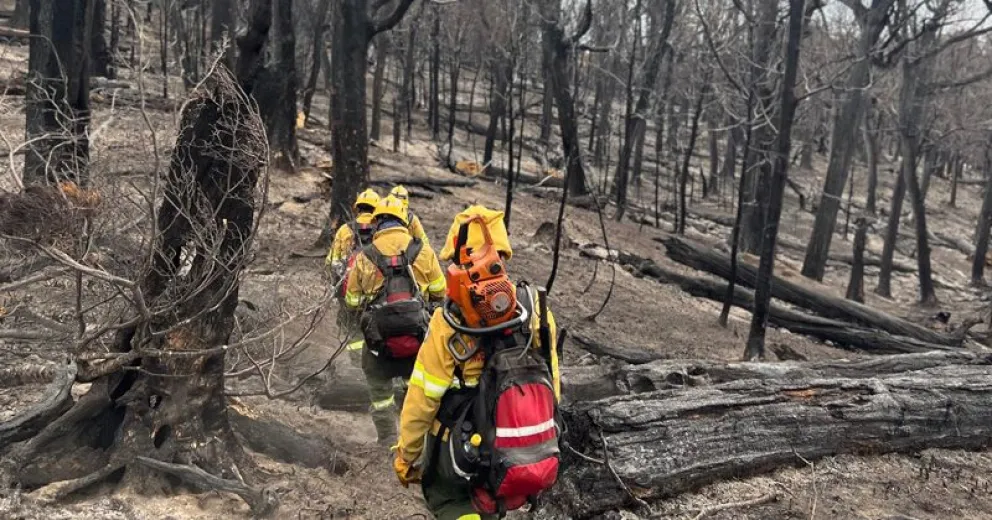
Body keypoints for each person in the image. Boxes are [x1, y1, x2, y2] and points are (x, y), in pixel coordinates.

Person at [393, 206, 562, 520]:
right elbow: (553, 386)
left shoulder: (450, 323)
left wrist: (407, 456)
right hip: (522, 451)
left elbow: (422, 398)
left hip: (460, 455)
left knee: (448, 502)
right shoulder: (535, 308)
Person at [345, 195, 447, 446]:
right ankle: (415, 438)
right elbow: (440, 293)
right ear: (403, 221)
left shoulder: (365, 256)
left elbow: (352, 301)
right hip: (418, 339)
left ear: (377, 223)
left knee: (380, 393)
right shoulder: (422, 250)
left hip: (379, 344)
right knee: (415, 387)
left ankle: (388, 438)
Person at [325, 188, 381, 363]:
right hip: (377, 293)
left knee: (352, 327)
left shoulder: (345, 230)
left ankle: (356, 362)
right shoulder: (382, 231)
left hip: (349, 291)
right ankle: (376, 360)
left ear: (357, 208)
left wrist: (338, 288)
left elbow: (332, 262)